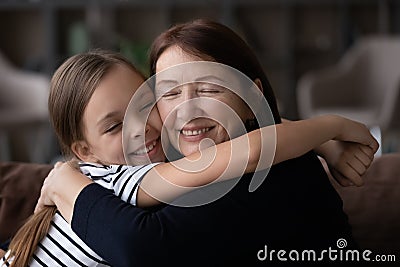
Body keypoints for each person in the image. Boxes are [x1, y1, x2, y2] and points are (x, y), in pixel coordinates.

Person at [33, 20, 378, 266]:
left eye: (210, 88)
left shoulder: (278, 172)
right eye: (168, 94)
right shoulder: (161, 166)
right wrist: (322, 139)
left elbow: (144, 249)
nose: (187, 110)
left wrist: (67, 183)